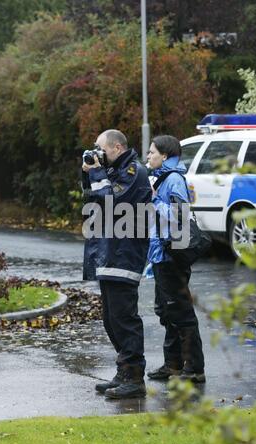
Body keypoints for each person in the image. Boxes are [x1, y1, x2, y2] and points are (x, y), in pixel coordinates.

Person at [82, 129, 152, 399]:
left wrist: (99, 174)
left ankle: (135, 379)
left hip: (124, 254)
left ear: (118, 147)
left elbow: (112, 201)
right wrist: (88, 172)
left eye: (102, 149)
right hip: (109, 254)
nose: (99, 154)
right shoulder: (111, 171)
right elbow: (93, 199)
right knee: (111, 320)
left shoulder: (135, 172)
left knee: (125, 319)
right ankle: (124, 371)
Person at [146, 135, 206, 383]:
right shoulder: (162, 178)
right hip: (161, 255)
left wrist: (153, 199)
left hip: (172, 256)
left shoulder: (173, 180)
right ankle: (173, 365)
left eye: (152, 152)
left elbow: (178, 215)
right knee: (166, 310)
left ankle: (194, 369)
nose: (148, 156)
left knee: (181, 313)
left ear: (165, 155)